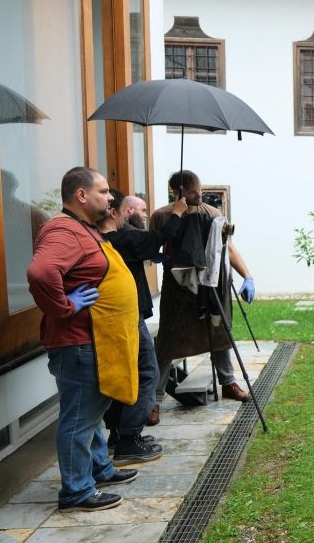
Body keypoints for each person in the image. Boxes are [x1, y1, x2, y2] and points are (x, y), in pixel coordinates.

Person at [26, 167, 141, 512]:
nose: (110, 198)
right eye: (104, 192)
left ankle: (98, 469)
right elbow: (41, 272)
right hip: (78, 342)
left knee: (90, 413)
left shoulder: (82, 229)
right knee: (78, 418)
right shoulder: (63, 229)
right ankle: (76, 491)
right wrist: (65, 305)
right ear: (81, 195)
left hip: (92, 340)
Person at [149, 170, 256, 424]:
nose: (200, 194)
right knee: (168, 341)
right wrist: (157, 256)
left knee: (219, 330)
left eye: (201, 189)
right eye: (194, 190)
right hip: (178, 286)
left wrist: (247, 276)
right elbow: (151, 246)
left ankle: (228, 382)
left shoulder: (213, 214)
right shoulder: (162, 216)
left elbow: (227, 248)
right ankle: (153, 400)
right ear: (179, 192)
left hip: (211, 283)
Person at [97, 189, 187, 464]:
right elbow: (158, 237)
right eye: (140, 210)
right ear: (117, 211)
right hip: (127, 318)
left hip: (111, 318)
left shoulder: (96, 238)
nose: (144, 215)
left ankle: (118, 435)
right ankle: (129, 440)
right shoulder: (123, 237)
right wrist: (178, 212)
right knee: (146, 372)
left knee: (120, 374)